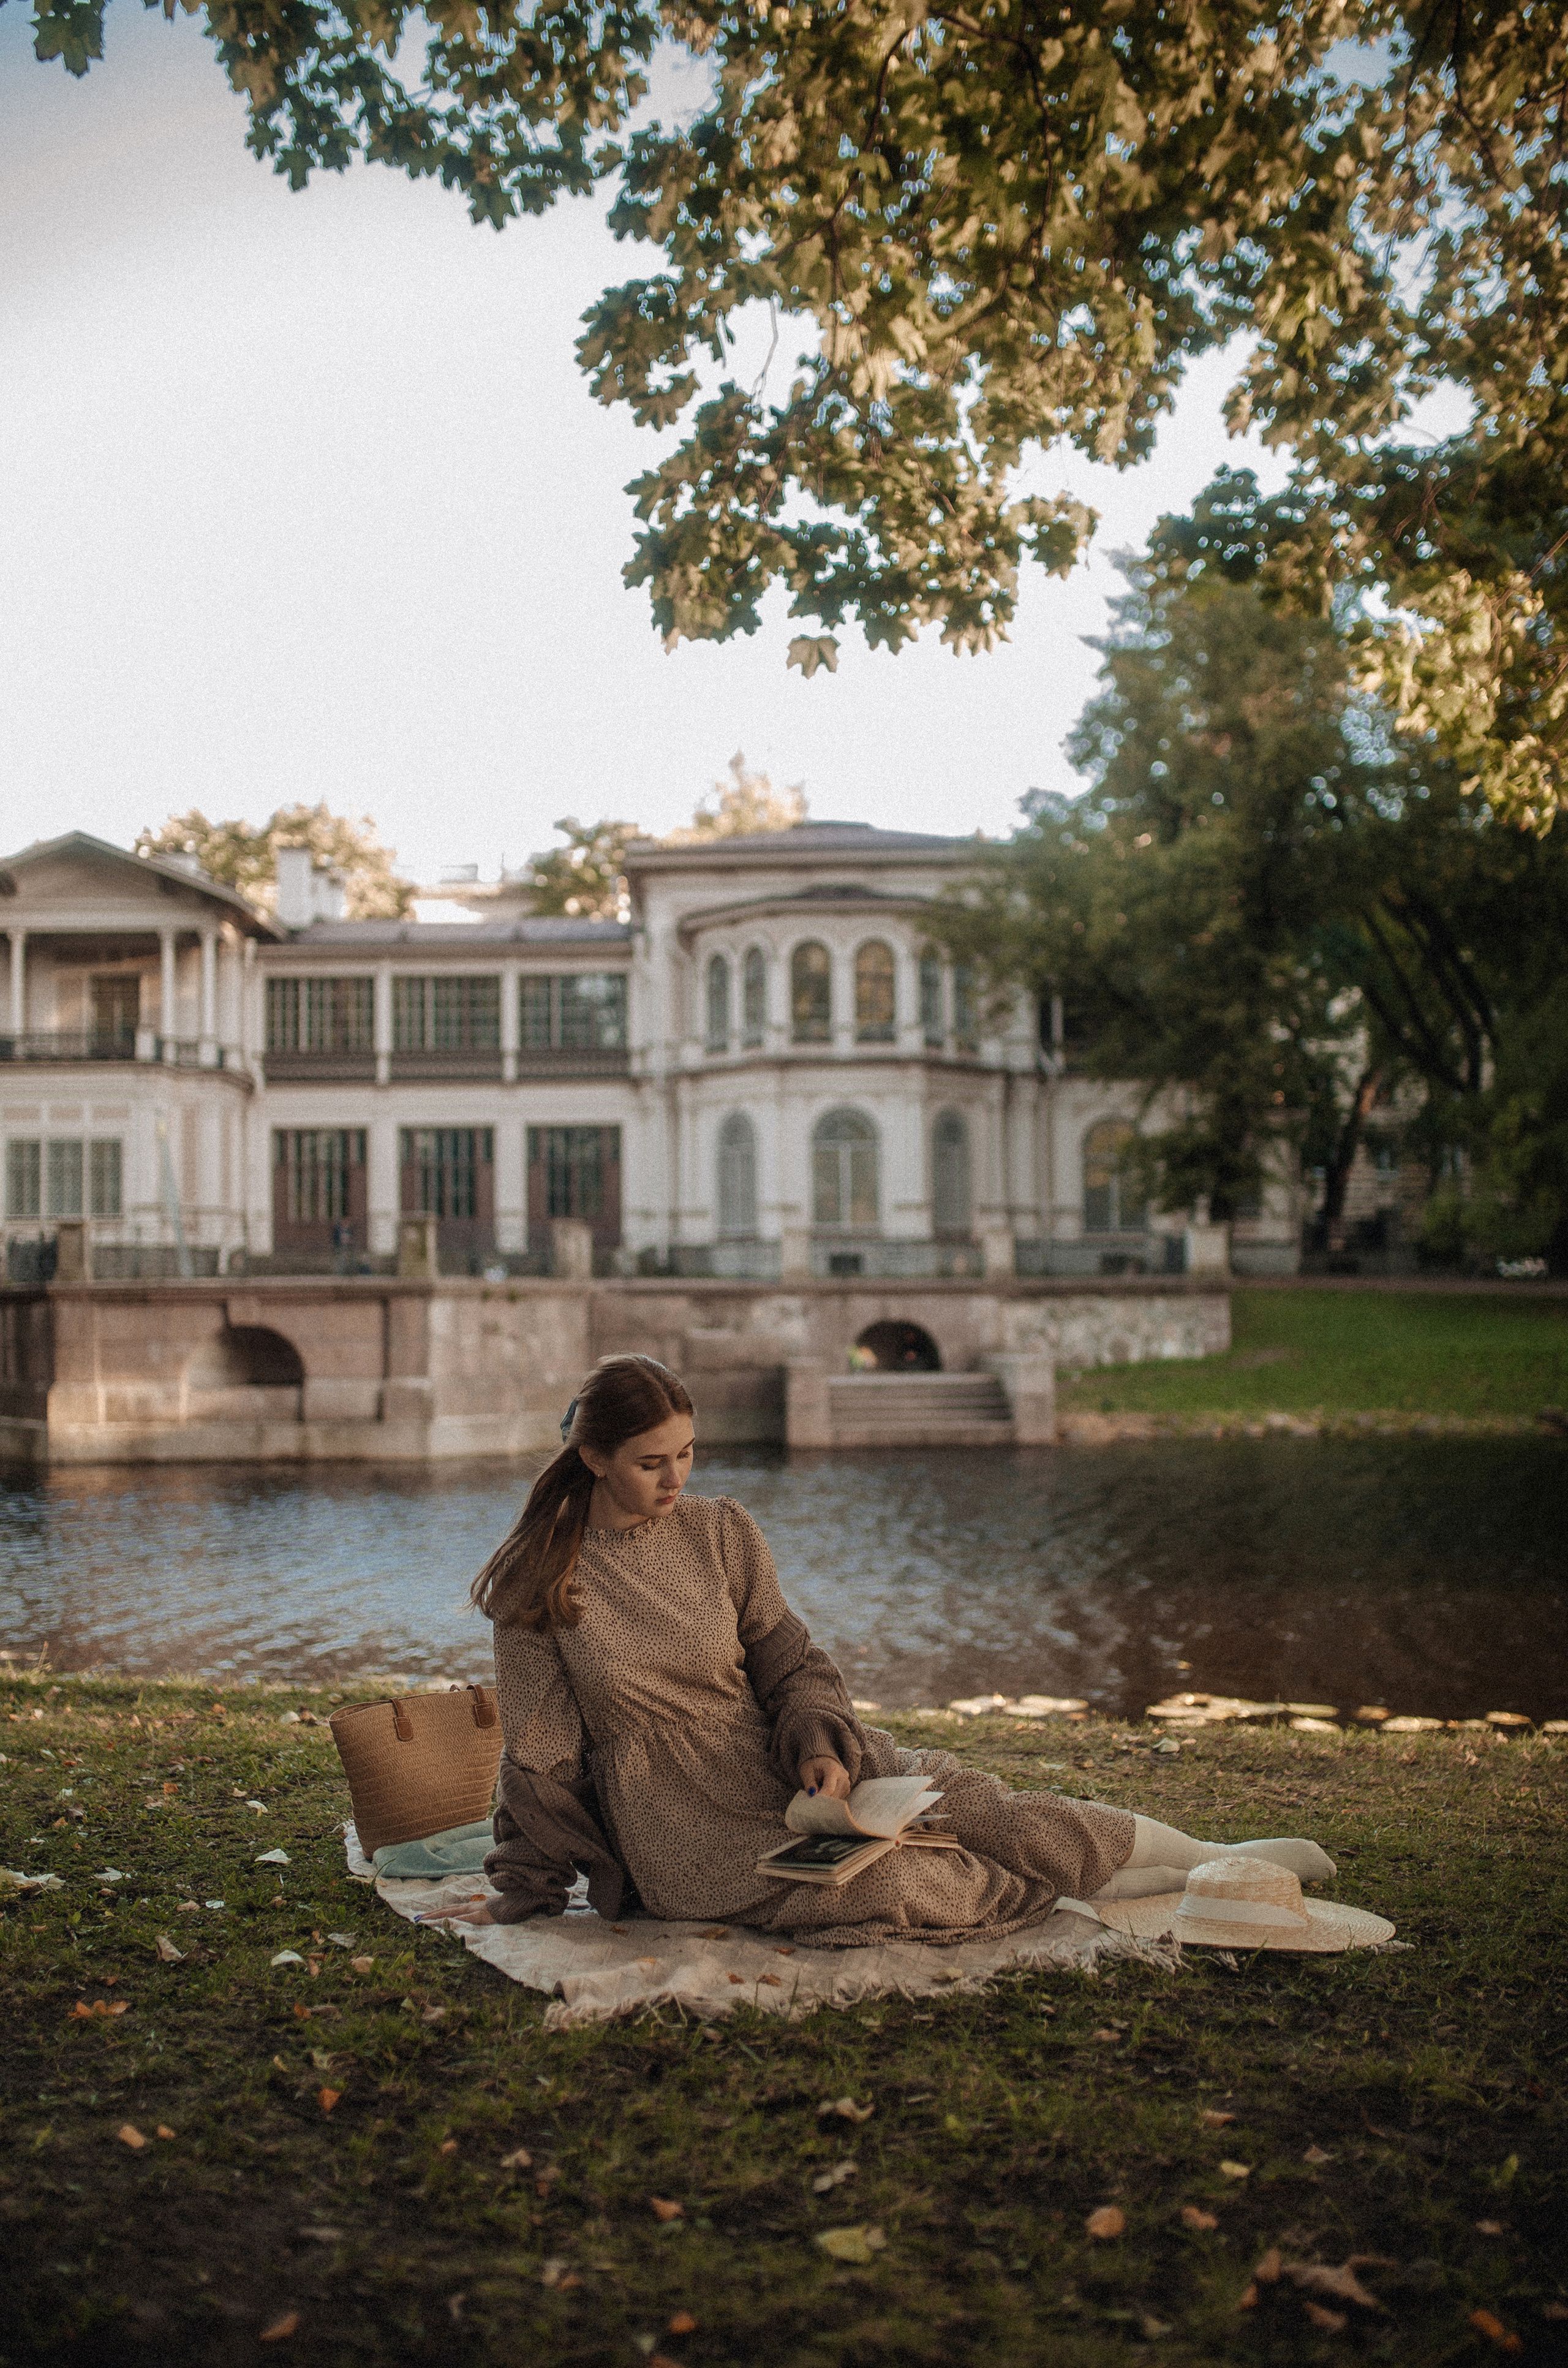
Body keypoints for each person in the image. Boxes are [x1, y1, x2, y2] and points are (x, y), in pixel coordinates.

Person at [446, 1353, 1335, 1945]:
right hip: (684, 1824)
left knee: (977, 1802)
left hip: (786, 1764)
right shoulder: (540, 1585)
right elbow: (542, 1762)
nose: (678, 1479)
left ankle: (1216, 1854)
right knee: (886, 1882)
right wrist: (526, 1889)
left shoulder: (721, 1532)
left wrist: (824, 1752)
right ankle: (1149, 1891)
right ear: (595, 1457)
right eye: (652, 1463)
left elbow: (789, 1665)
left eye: (687, 1453)